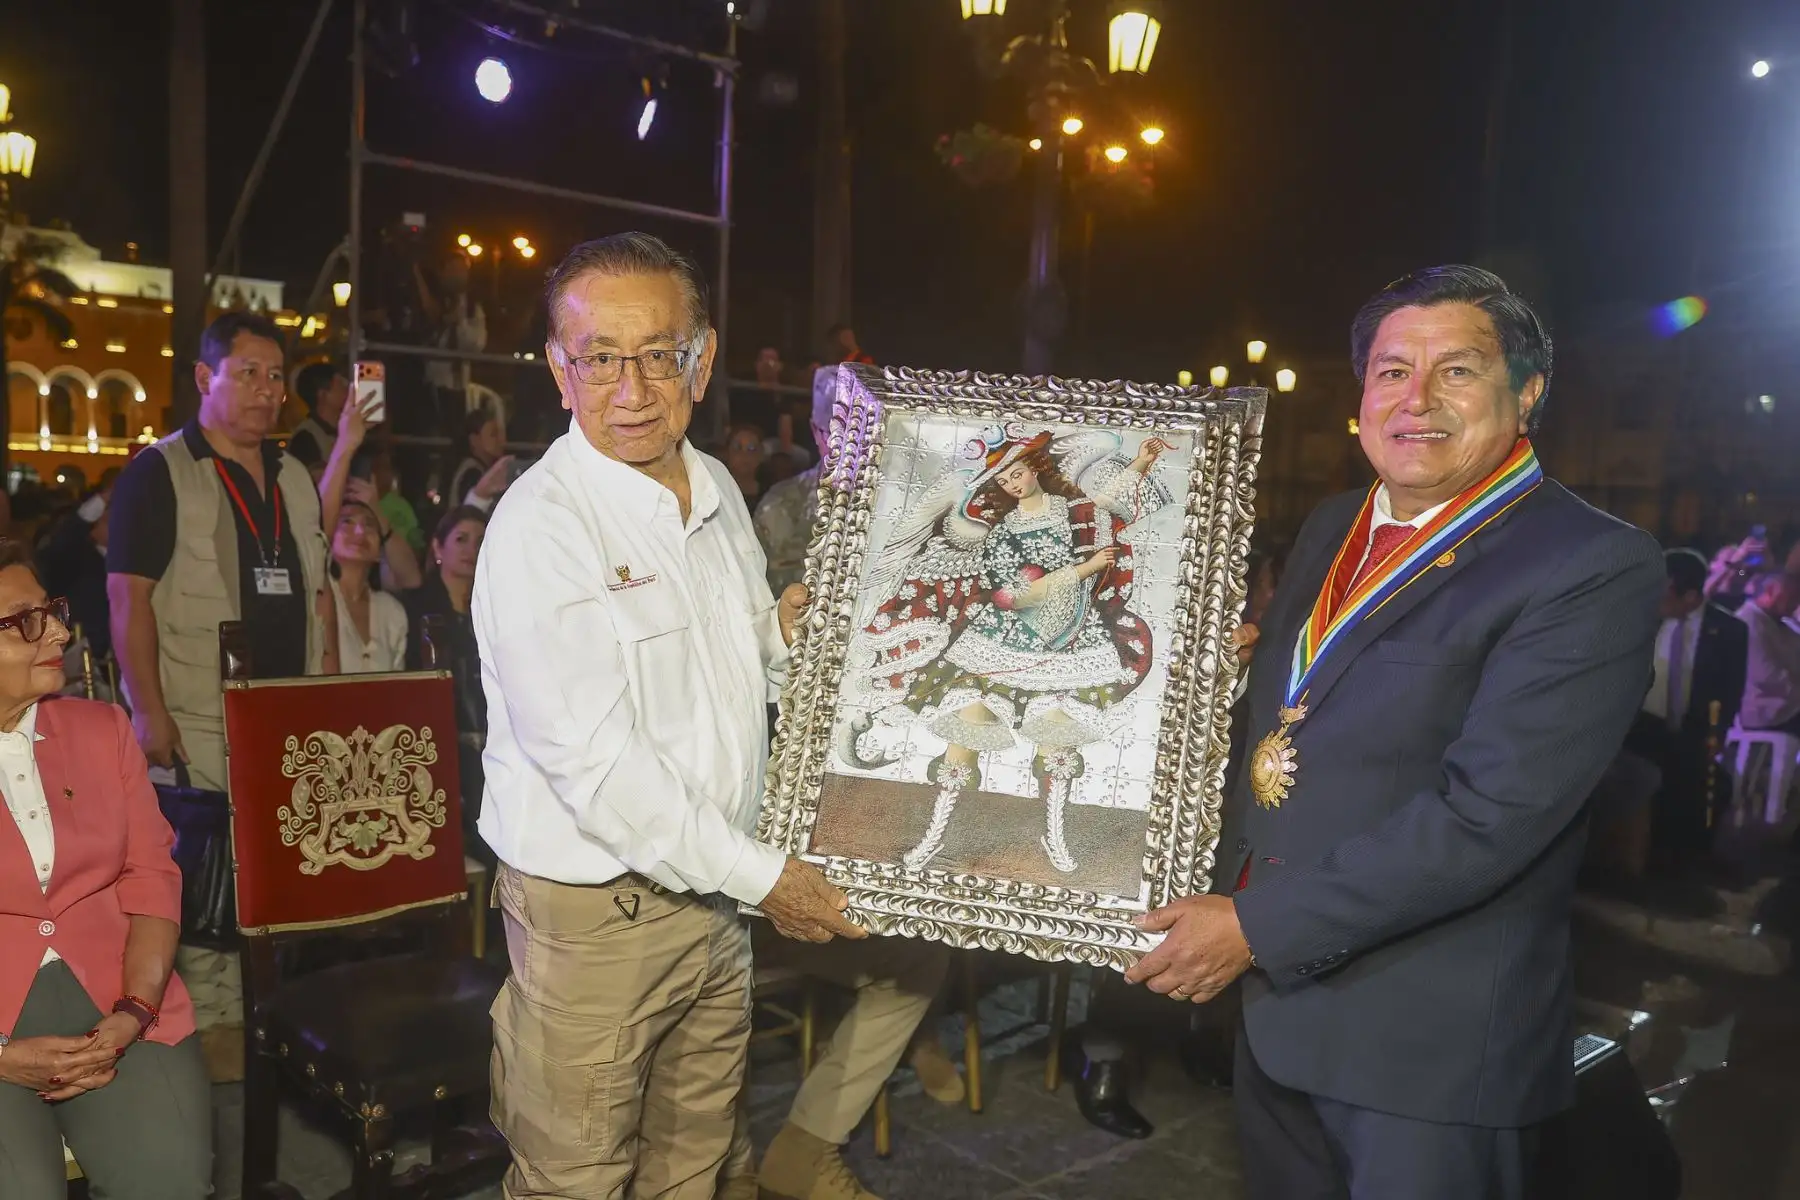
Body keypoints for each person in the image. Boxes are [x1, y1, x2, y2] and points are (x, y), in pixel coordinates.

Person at [1125, 265, 1663, 1199]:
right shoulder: (1334, 523)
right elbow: (1307, 714)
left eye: (1457, 370)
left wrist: (1256, 928)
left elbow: (1490, 815)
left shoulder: (1589, 563)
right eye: (1390, 372)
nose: (1416, 400)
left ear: (1527, 393)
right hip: (1278, 1010)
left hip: (1426, 1047)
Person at [474, 231, 866, 1199]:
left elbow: (734, 661)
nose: (633, 389)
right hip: (600, 918)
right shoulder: (542, 526)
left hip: (715, 895)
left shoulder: (715, 484)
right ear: (559, 370)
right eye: (600, 358)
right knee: (576, 1180)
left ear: (703, 356)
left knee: (695, 1165)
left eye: (659, 354)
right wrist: (767, 879)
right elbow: (598, 766)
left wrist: (783, 634)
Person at [839, 427, 1170, 874]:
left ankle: (1054, 833)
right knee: (967, 725)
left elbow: (1111, 506)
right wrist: (1083, 569)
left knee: (1058, 737)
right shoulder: (1002, 534)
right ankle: (935, 833)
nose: (1013, 484)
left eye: (1017, 473)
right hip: (1002, 639)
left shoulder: (1075, 511)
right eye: (1004, 480)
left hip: (1071, 641)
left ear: (1035, 469)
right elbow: (1012, 595)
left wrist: (1143, 460)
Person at [0, 540, 211, 1197]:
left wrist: (133, 1011)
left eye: (52, 611)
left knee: (170, 1180)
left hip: (114, 988)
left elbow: (151, 878)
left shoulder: (102, 729)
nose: (60, 632)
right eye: (25, 621)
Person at [106, 310, 339, 788]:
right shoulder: (160, 471)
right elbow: (128, 598)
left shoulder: (294, 476)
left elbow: (321, 595)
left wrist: (330, 694)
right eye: (249, 372)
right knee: (205, 839)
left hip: (292, 721)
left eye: (275, 376)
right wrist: (148, 712)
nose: (266, 389)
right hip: (199, 727)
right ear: (204, 378)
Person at [1623, 549, 1747, 871]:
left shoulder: (1729, 630)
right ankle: (1644, 856)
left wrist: (1718, 733)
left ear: (1690, 597)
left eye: (1662, 591)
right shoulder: (1643, 618)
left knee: (1710, 785)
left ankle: (1685, 858)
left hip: (1692, 727)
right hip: (1640, 725)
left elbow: (1731, 688)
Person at [755, 367, 835, 595]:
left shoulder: (899, 508)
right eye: (836, 433)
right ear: (816, 431)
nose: (851, 445)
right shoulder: (780, 505)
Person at [1733, 571, 1800, 735]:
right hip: (1769, 714)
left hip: (1790, 707)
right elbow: (1767, 676)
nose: (1796, 604)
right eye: (1792, 597)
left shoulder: (1782, 623)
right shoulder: (1748, 621)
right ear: (1770, 590)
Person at [285, 359, 350, 477]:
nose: (348, 389)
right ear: (323, 395)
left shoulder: (344, 430)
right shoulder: (305, 439)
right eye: (341, 385)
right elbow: (322, 483)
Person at [447, 406, 515, 514]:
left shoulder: (477, 468)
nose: (501, 440)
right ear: (474, 440)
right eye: (493, 434)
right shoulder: (472, 473)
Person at [723, 423, 767, 507]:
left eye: (751, 448)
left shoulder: (772, 494)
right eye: (737, 447)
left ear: (761, 455)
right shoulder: (715, 491)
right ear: (727, 453)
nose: (744, 455)